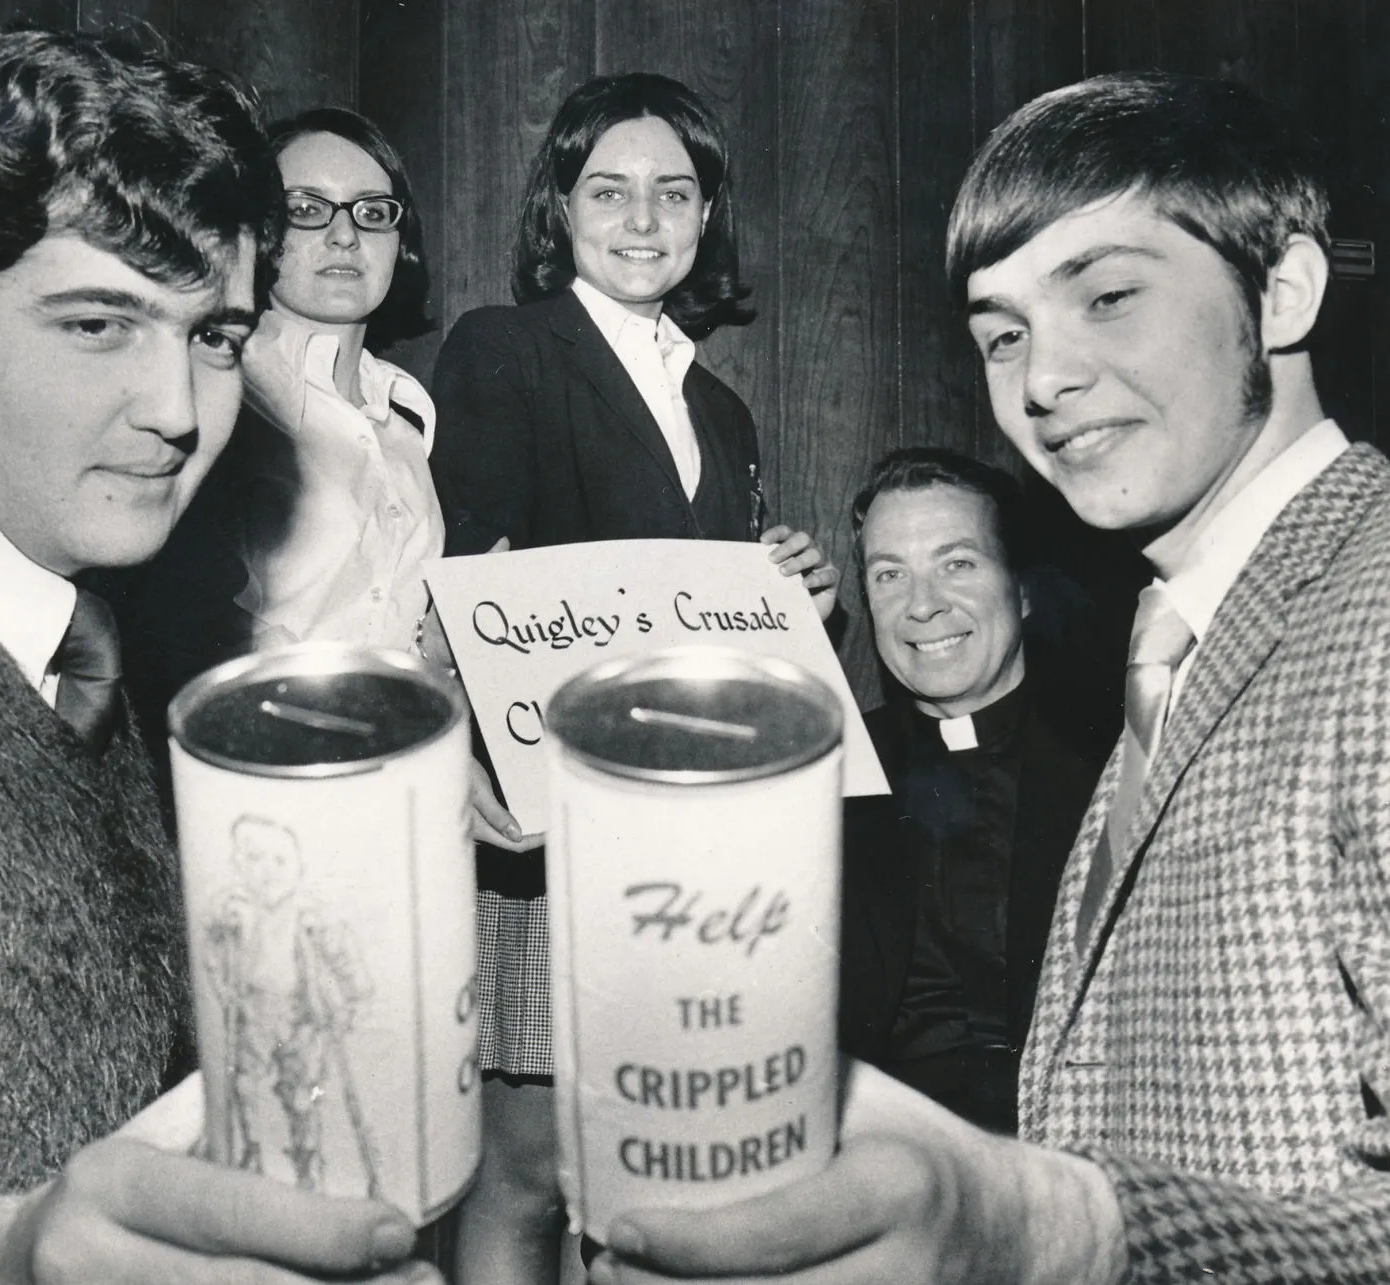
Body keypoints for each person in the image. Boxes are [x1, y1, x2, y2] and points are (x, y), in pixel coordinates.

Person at [584, 72, 1390, 1285]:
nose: (1043, 380)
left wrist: (1051, 1229)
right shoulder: (1181, 640)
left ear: (1282, 290)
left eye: (1107, 296)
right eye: (1003, 333)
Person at [0, 29, 440, 1284]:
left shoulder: (74, 661)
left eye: (214, 337)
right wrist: (0, 1258)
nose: (178, 411)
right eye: (98, 323)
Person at [428, 72, 839, 1285]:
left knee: (654, 1164)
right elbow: (468, 582)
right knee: (530, 1167)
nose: (644, 218)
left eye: (674, 191)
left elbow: (708, 618)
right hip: (548, 819)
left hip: (688, 832)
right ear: (559, 210)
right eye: (609, 190)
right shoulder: (506, 349)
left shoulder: (722, 409)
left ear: (708, 214)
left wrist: (788, 597)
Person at [113, 105, 526, 850]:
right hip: (246, 815)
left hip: (392, 815)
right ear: (259, 231)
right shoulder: (215, 393)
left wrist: (448, 657)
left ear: (400, 241)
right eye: (307, 209)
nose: (344, 235)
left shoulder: (407, 419)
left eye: (372, 212)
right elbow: (182, 648)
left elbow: (389, 634)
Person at [841, 447, 1108, 1134]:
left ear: (1022, 588)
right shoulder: (831, 771)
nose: (922, 605)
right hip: (885, 1146)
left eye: (957, 564)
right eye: (889, 574)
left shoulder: (1120, 755)